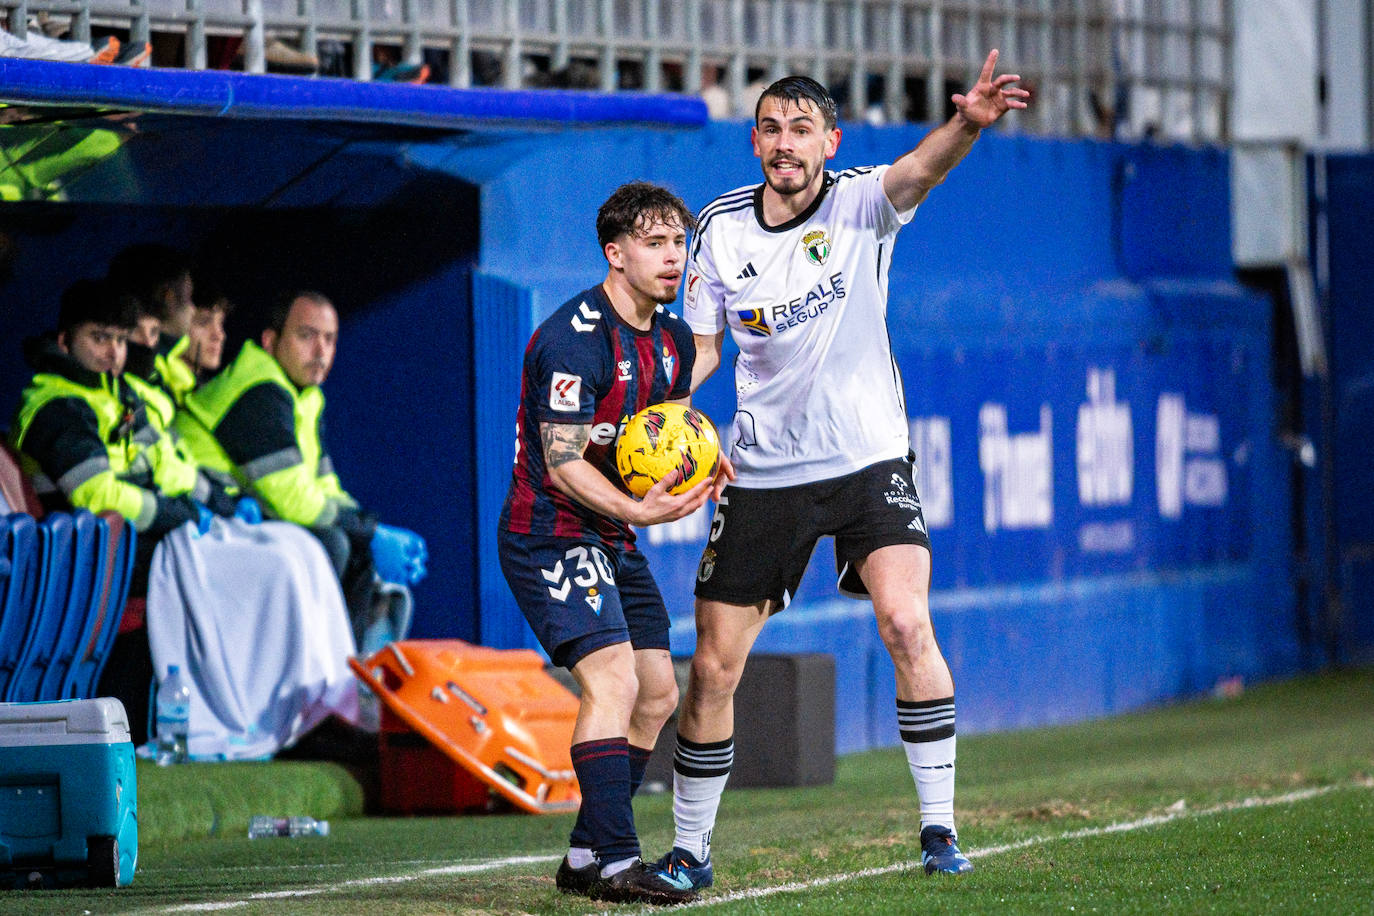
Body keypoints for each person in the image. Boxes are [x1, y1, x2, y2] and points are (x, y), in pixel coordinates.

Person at [655, 51, 1029, 889]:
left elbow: (920, 170)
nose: (786, 144)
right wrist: (665, 406)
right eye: (773, 130)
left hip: (868, 459)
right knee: (714, 665)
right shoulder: (719, 229)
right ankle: (690, 852)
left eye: (803, 130)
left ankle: (939, 831)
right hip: (764, 473)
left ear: (831, 141)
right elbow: (707, 345)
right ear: (754, 141)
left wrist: (966, 121)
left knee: (906, 623)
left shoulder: (861, 201)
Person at [496, 182, 731, 905]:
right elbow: (564, 464)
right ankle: (616, 862)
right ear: (615, 252)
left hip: (611, 534)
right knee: (614, 682)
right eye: (655, 243)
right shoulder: (572, 339)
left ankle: (584, 852)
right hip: (549, 535)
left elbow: (674, 409)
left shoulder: (666, 340)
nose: (671, 258)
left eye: (678, 243)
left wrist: (700, 455)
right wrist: (639, 508)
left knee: (658, 693)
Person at [8, 278, 235, 741]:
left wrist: (208, 499)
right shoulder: (53, 404)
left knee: (219, 550)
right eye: (98, 338)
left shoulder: (119, 394)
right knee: (195, 558)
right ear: (64, 341)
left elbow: (161, 465)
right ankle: (198, 722)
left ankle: (220, 720)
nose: (112, 352)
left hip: (125, 543)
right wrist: (173, 514)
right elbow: (96, 496)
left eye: (118, 339)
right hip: (75, 558)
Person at [174, 290, 426, 648]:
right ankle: (314, 683)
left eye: (329, 340)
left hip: (241, 518)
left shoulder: (306, 397)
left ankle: (351, 678)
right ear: (271, 341)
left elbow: (324, 487)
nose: (321, 352)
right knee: (333, 544)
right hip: (203, 523)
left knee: (350, 546)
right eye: (306, 336)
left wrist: (371, 527)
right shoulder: (259, 387)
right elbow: (291, 499)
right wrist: (370, 534)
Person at [107, 244, 198, 407]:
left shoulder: (164, 362)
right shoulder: (135, 373)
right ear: (167, 297)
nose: (193, 309)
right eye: (189, 298)